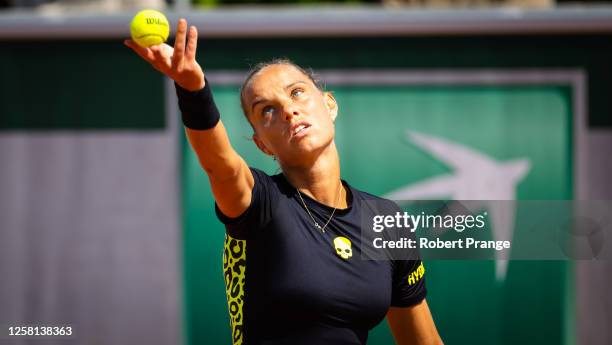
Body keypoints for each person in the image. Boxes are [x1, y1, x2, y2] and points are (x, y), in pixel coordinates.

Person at [125, 18, 443, 345]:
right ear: (262, 144)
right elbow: (219, 163)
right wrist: (193, 89)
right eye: (267, 111)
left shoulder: (385, 222)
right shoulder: (260, 202)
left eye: (297, 93)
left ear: (329, 104)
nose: (289, 111)